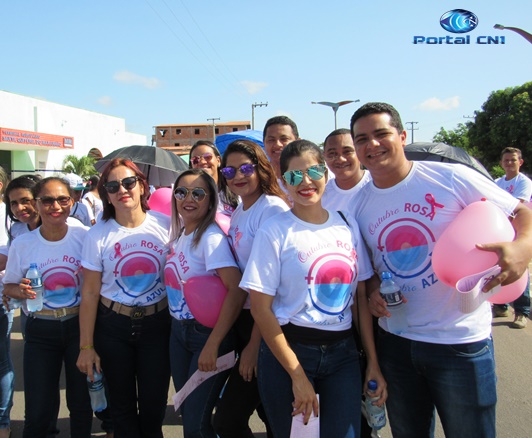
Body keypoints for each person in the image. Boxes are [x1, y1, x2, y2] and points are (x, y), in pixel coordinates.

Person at [349, 102, 532, 438]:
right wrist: (374, 289)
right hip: (397, 344)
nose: (372, 144)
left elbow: (521, 212)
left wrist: (523, 247)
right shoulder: (357, 205)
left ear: (402, 136)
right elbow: (369, 268)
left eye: (381, 134)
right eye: (362, 139)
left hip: (460, 342)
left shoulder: (450, 177)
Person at [241, 140, 382, 437]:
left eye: (314, 171)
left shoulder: (346, 224)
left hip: (343, 354)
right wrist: (297, 375)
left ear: (326, 174)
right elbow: (261, 309)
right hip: (289, 352)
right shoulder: (274, 230)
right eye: (294, 176)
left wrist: (372, 361)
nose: (305, 182)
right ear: (284, 182)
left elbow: (359, 296)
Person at [76, 159, 171, 438]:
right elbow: (90, 292)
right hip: (113, 326)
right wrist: (86, 346)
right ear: (106, 194)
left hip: (158, 324)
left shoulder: (166, 225)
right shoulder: (97, 235)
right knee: (121, 408)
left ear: (142, 186)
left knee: (154, 406)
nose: (122, 190)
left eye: (129, 182)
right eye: (112, 186)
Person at [3, 177, 93, 438]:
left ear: (72, 202)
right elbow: (9, 286)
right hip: (40, 329)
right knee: (39, 407)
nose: (56, 206)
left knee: (81, 402)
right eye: (47, 200)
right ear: (38, 203)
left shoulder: (84, 236)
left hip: (78, 326)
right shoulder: (23, 244)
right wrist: (19, 290)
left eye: (63, 199)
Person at [213, 140, 290, 438]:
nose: (237, 176)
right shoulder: (242, 210)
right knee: (270, 414)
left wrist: (255, 345)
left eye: (245, 168)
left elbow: (271, 286)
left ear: (261, 168)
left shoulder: (271, 209)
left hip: (267, 324)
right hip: (247, 319)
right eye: (229, 171)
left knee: (227, 421)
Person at [164, 168, 245, 438]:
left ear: (210, 201)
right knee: (189, 412)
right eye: (181, 192)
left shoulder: (210, 238)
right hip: (179, 333)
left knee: (196, 425)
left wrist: (213, 344)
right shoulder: (182, 234)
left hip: (206, 336)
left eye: (198, 193)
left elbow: (236, 289)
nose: (189, 199)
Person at [492, 147, 532, 328]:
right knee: (500, 266)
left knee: (519, 268)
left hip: (518, 232)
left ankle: (522, 312)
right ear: (501, 163)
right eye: (506, 160)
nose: (509, 163)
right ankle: (501, 306)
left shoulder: (524, 182)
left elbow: (516, 206)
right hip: (501, 230)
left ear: (520, 162)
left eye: (513, 160)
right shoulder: (497, 182)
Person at [321, 128, 371, 211]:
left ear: (359, 151)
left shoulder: (379, 184)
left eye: (347, 151)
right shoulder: (321, 195)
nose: (340, 159)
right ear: (324, 156)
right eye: (332, 153)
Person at [189, 140, 239, 216]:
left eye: (207, 157)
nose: (202, 162)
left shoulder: (237, 191)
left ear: (218, 161)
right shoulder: (188, 197)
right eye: (195, 160)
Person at [0, 166, 11, 438]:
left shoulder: (6, 215)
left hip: (3, 298)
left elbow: (6, 257)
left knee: (1, 362)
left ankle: (2, 421)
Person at [262, 116, 299, 180]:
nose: (277, 145)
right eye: (271, 140)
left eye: (284, 139)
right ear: (264, 143)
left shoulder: (307, 177)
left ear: (297, 142)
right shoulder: (258, 178)